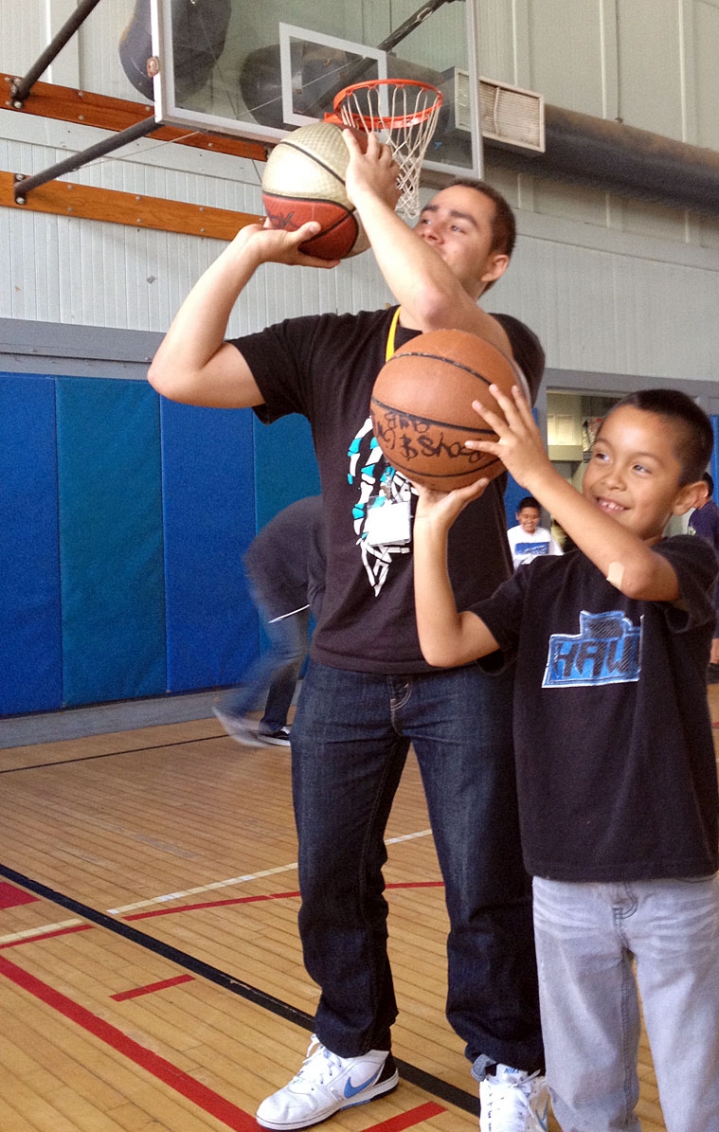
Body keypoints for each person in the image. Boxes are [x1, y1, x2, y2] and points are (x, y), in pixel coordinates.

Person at [147, 129, 546, 1132]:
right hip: (344, 668)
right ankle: (351, 1043)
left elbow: (433, 306)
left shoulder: (499, 341)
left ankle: (506, 1060)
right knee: (329, 873)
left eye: (459, 223)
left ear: (492, 263)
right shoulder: (325, 343)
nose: (429, 223)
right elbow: (177, 372)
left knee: (483, 877)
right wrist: (251, 248)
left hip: (466, 661)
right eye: (427, 212)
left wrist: (364, 199)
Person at [412, 387, 719, 1132]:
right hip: (563, 878)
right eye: (601, 456)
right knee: (586, 1086)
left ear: (687, 495)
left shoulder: (686, 562)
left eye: (640, 468)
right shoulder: (539, 584)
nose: (608, 477)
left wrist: (539, 475)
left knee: (704, 1083)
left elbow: (633, 576)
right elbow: (443, 643)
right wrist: (429, 535)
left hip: (670, 871)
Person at [213, 495, 325, 748]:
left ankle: (272, 726)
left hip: (296, 580)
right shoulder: (330, 520)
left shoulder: (332, 513)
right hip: (272, 576)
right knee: (289, 650)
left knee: (294, 655)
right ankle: (235, 710)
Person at [689, 472, 719, 682]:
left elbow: (704, 547)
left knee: (714, 613)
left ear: (703, 491)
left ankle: (713, 663)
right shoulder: (705, 513)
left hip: (716, 571)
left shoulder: (704, 515)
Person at [506, 495, 563, 569]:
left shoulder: (544, 535)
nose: (530, 521)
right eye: (526, 517)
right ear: (518, 516)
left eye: (534, 517)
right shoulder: (511, 535)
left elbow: (557, 556)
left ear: (539, 518)